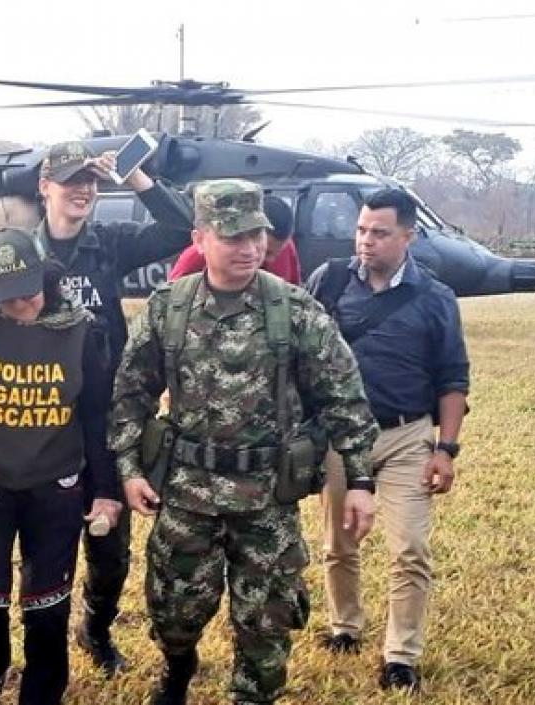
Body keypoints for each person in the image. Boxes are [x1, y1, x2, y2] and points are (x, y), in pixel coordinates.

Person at [108, 179, 379, 705]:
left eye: (257, 235)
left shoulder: (294, 311)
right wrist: (129, 467)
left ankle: (252, 695)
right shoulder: (169, 307)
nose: (250, 248)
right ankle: (178, 669)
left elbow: (344, 397)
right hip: (188, 492)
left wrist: (361, 480)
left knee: (266, 621)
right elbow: (131, 392)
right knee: (174, 612)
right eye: (233, 237)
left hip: (267, 497)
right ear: (200, 238)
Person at [0, 226, 122, 705]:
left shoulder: (79, 328)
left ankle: (42, 691)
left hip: (55, 482)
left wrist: (105, 488)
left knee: (47, 604)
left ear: (46, 280)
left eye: (28, 295)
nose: (20, 308)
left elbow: (95, 414)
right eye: (6, 299)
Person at [31, 140, 194, 675]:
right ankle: (41, 639)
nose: (82, 189)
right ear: (44, 187)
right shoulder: (23, 253)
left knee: (111, 547)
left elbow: (180, 230)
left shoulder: (111, 243)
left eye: (91, 181)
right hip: (46, 418)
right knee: (44, 541)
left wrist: (137, 177)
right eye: (70, 180)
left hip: (109, 418)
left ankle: (96, 630)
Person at [306, 188, 470, 693]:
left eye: (379, 232)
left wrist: (445, 448)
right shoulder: (329, 281)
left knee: (410, 549)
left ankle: (401, 655)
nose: (366, 241)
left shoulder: (435, 298)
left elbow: (453, 378)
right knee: (339, 543)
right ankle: (345, 626)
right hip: (341, 437)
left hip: (406, 435)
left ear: (408, 236)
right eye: (361, 230)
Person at [168, 194, 301, 284]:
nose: (271, 260)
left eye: (277, 253)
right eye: (267, 252)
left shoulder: (283, 245)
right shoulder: (199, 256)